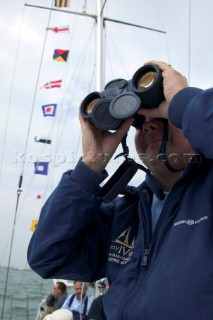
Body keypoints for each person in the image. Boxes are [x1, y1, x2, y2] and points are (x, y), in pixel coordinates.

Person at [27, 60, 213, 320]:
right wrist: (91, 163)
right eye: (139, 124)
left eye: (163, 118)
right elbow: (48, 257)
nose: (148, 126)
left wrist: (182, 101)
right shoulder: (127, 212)